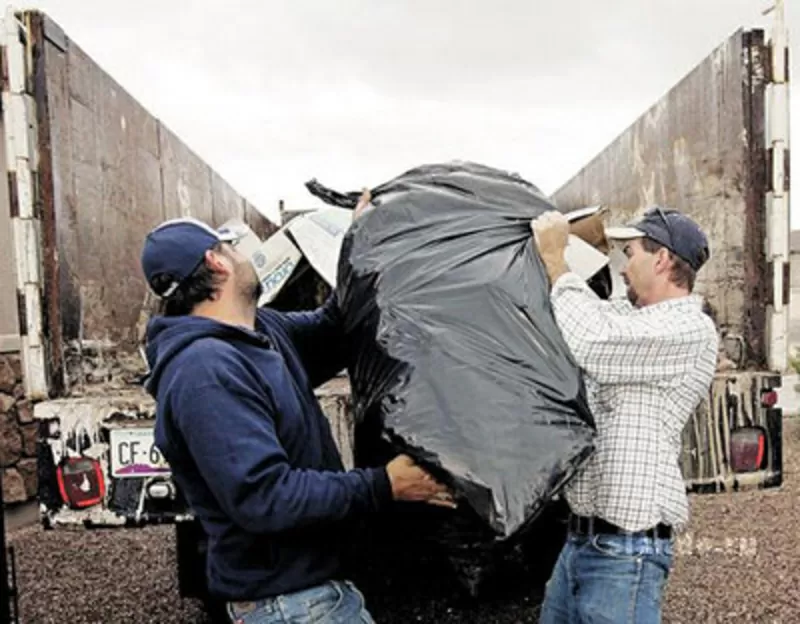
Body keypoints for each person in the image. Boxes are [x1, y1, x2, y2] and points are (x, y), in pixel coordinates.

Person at [140, 206, 453, 623]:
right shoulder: (205, 371)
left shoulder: (260, 332)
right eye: (232, 248)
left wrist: (360, 244)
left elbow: (335, 327)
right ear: (217, 261)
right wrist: (383, 485)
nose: (244, 256)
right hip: (290, 607)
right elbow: (266, 498)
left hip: (313, 596)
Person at [530, 206, 719, 624]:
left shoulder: (689, 329)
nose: (623, 265)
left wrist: (556, 262)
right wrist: (577, 254)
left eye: (629, 252)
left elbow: (592, 341)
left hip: (625, 555)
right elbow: (583, 317)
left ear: (662, 258)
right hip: (579, 541)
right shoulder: (628, 317)